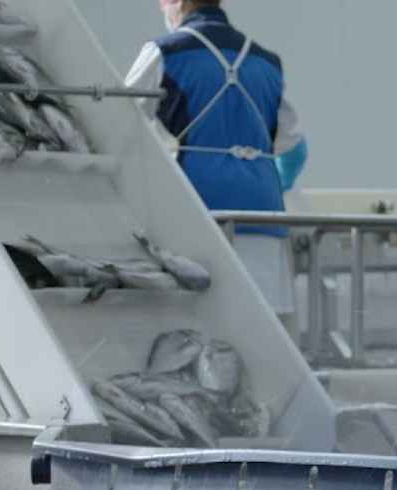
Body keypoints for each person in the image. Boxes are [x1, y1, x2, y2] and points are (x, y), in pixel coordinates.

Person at [126, 0, 308, 337]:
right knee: (262, 332)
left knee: (197, 329)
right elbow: (295, 150)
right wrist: (263, 183)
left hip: (197, 210)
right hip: (264, 214)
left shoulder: (165, 52)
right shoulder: (266, 62)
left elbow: (121, 121)